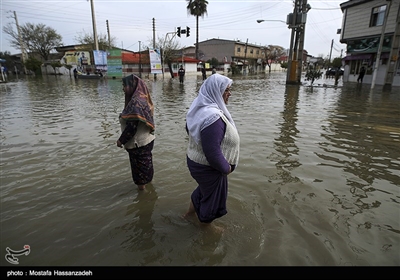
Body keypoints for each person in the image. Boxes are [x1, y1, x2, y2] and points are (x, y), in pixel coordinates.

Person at [183, 73, 240, 227]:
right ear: (216, 91)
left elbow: (190, 131)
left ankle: (188, 215)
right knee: (212, 200)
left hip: (196, 160)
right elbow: (212, 152)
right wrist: (226, 168)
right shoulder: (212, 117)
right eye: (226, 90)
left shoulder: (198, 108)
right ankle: (205, 230)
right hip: (209, 168)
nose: (230, 93)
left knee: (204, 191)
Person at [117, 74, 155, 191]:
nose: (123, 88)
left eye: (124, 85)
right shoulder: (142, 98)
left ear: (131, 86)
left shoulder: (135, 103)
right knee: (146, 167)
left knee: (139, 172)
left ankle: (142, 195)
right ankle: (150, 191)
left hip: (138, 143)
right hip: (147, 139)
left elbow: (131, 128)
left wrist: (120, 140)